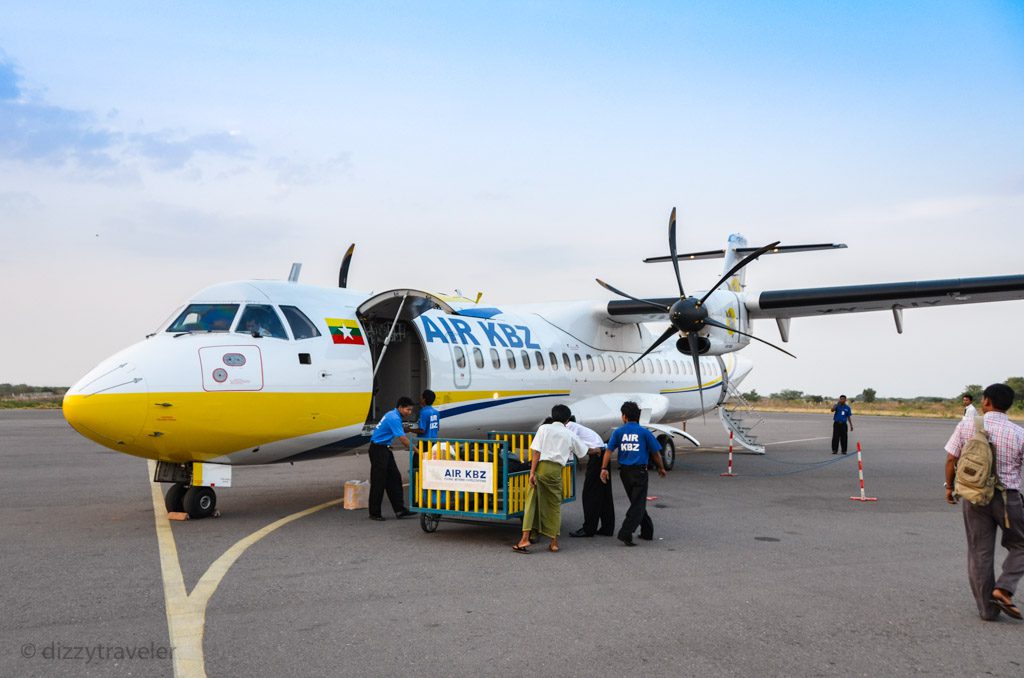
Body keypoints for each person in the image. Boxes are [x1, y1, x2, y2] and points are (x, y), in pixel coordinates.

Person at [944, 383, 1024, 621]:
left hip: (974, 496)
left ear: (987, 401)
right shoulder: (1018, 433)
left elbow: (951, 459)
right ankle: (1004, 587)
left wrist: (950, 487)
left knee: (979, 552)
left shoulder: (967, 425)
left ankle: (987, 610)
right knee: (1020, 544)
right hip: (1008, 498)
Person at [513, 405, 593, 554]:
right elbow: (582, 452)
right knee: (554, 506)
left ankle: (525, 539)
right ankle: (554, 542)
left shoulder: (544, 429)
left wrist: (532, 473)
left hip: (541, 468)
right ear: (567, 419)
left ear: (552, 416)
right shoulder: (569, 434)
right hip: (556, 472)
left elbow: (536, 452)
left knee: (531, 503)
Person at [600, 401, 667, 547]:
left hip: (625, 473)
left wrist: (603, 468)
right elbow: (655, 453)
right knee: (638, 504)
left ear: (624, 417)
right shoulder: (644, 432)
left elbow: (609, 451)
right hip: (640, 472)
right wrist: (661, 468)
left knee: (637, 502)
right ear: (638, 416)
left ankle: (647, 531)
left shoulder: (618, 432)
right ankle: (626, 532)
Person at [367, 397, 415, 521]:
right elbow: (403, 440)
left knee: (394, 478)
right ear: (400, 407)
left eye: (410, 410)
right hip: (378, 450)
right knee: (379, 481)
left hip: (385, 449)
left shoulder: (393, 415)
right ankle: (374, 512)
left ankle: (400, 510)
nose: (409, 412)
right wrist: (418, 452)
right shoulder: (394, 417)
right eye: (407, 410)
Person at [567, 416, 615, 538]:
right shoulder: (576, 427)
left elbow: (571, 446)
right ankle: (607, 527)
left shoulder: (569, 427)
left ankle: (589, 528)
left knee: (589, 494)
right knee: (604, 494)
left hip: (598, 456)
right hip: (602, 455)